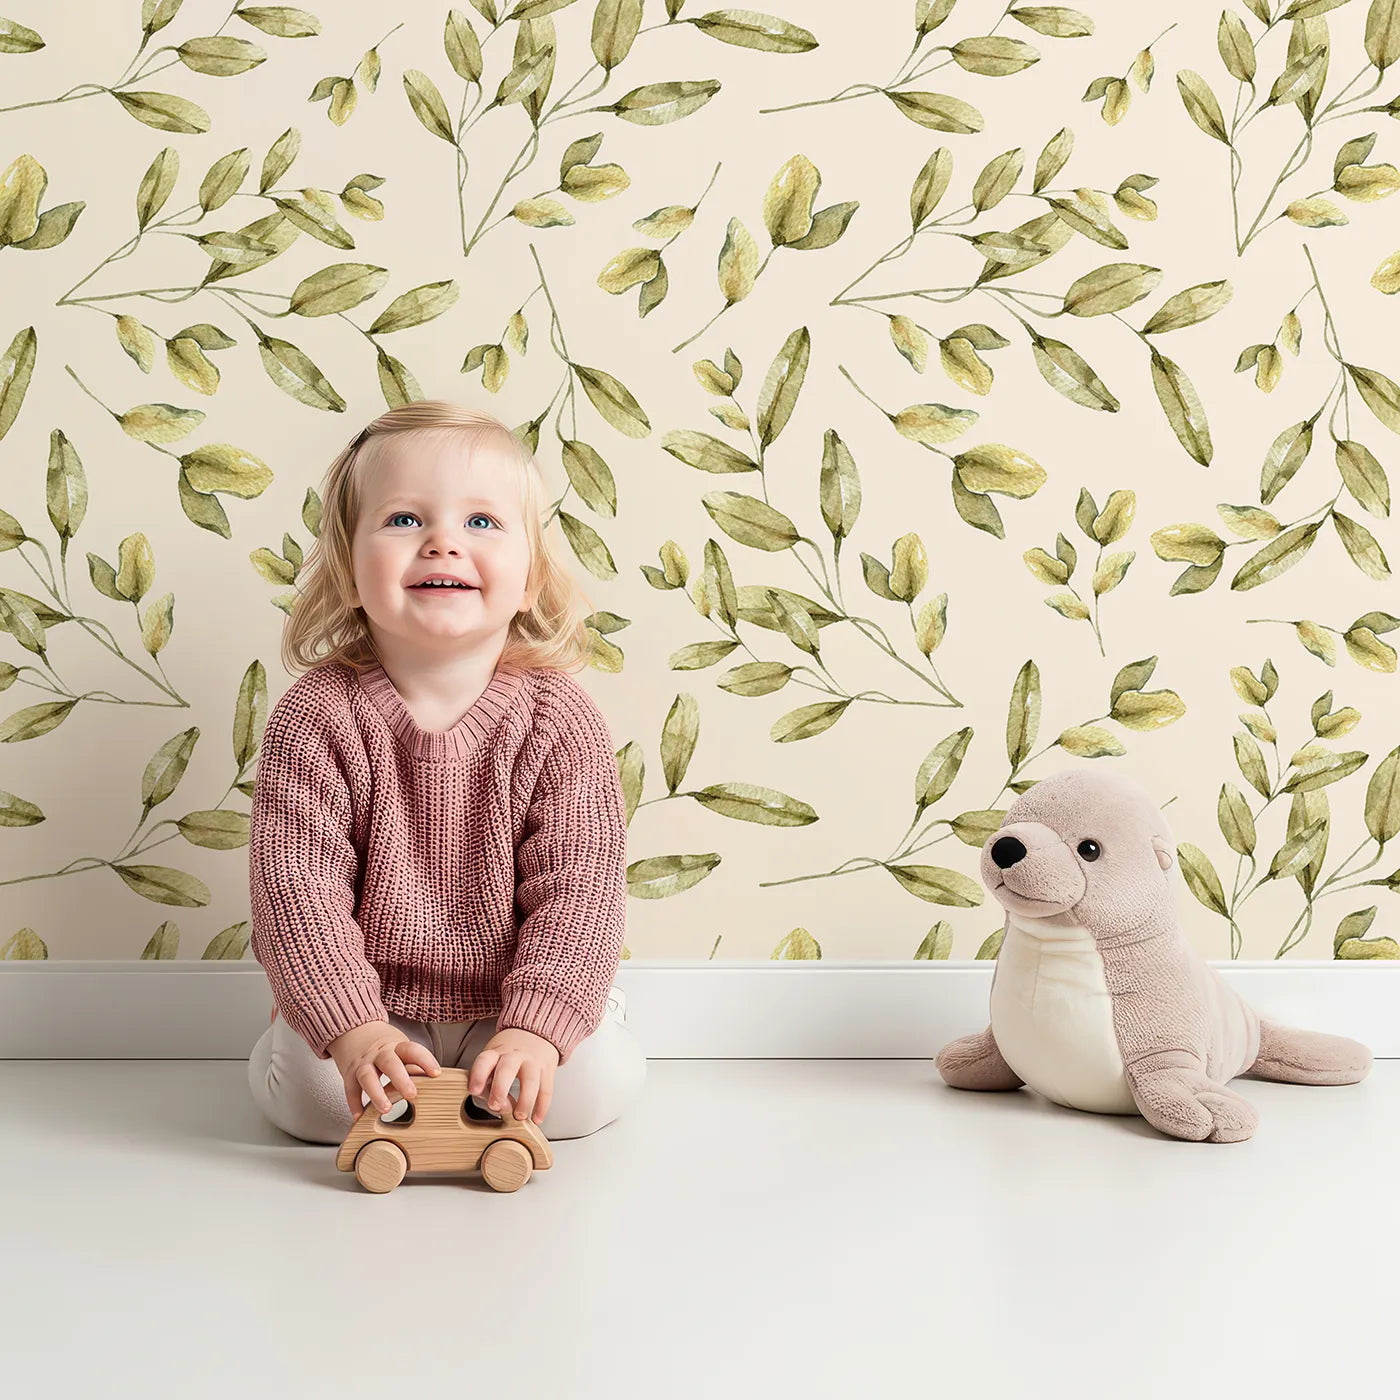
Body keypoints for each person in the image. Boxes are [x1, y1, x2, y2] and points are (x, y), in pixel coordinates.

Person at [246, 401, 645, 1146]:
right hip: (377, 1005)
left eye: (482, 524)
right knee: (316, 1107)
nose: (441, 544)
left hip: (510, 1001)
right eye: (403, 520)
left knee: (583, 1096)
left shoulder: (559, 720)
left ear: (528, 579)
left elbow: (581, 892)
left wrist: (537, 1031)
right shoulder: (317, 717)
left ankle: (585, 1016)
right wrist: (352, 1030)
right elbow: (296, 889)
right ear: (351, 572)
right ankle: (302, 1028)